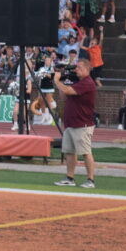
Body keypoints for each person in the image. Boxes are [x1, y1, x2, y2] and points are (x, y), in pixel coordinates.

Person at [53, 59, 97, 188]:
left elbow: (67, 91)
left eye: (79, 67)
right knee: (69, 152)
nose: (76, 69)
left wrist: (57, 81)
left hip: (82, 124)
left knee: (85, 152)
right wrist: (62, 82)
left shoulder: (87, 82)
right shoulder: (78, 82)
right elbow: (64, 96)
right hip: (71, 123)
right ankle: (70, 178)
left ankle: (90, 180)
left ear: (87, 69)